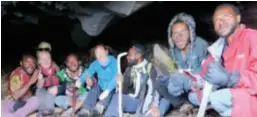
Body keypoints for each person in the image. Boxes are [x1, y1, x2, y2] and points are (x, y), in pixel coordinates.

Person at [199, 4, 257, 117]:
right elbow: (205, 74)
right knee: (201, 97)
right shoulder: (217, 49)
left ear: (238, 18)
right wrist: (193, 83)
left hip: (251, 97)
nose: (221, 22)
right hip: (236, 97)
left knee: (219, 98)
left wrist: (230, 79)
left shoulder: (253, 37)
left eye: (226, 16)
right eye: (217, 20)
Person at [155, 12, 209, 109]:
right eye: (174, 33)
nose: (178, 37)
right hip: (186, 85)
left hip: (200, 86)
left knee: (193, 96)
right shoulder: (174, 51)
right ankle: (183, 104)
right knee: (160, 82)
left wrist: (187, 81)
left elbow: (209, 74)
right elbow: (176, 72)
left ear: (190, 32)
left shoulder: (200, 45)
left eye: (182, 32)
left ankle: (194, 102)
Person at [104, 44, 170, 117]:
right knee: (117, 97)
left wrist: (154, 105)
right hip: (136, 101)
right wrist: (121, 82)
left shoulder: (150, 68)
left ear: (138, 56)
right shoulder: (130, 68)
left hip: (148, 101)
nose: (127, 57)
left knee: (164, 103)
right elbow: (124, 91)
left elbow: (155, 90)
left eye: (129, 55)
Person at [78, 44, 118, 116]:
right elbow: (88, 72)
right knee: (94, 88)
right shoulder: (95, 64)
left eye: (101, 52)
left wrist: (107, 90)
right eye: (97, 54)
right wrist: (80, 80)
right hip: (100, 86)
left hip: (111, 87)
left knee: (110, 94)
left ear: (106, 52)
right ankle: (86, 109)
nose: (100, 55)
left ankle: (98, 109)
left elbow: (116, 77)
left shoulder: (113, 61)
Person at [35, 51, 60, 116]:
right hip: (44, 90)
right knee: (38, 91)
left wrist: (57, 69)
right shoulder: (39, 71)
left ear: (51, 59)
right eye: (43, 59)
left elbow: (61, 77)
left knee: (50, 92)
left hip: (55, 89)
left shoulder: (54, 66)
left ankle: (49, 112)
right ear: (39, 62)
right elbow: (39, 85)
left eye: (48, 58)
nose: (46, 61)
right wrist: (40, 81)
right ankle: (41, 112)